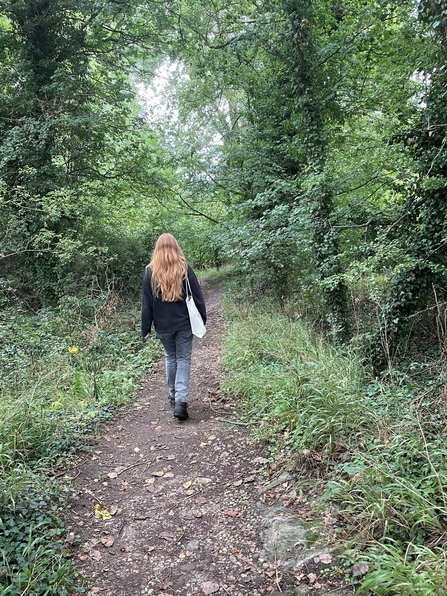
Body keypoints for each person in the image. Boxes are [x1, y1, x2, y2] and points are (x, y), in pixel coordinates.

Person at [141, 233, 206, 421]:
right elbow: (198, 296)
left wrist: (145, 328)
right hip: (184, 324)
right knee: (183, 359)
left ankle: (173, 396)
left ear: (157, 249)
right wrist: (202, 318)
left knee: (171, 358)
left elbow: (147, 305)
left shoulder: (150, 272)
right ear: (175, 247)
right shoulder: (184, 269)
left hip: (163, 326)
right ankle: (181, 401)